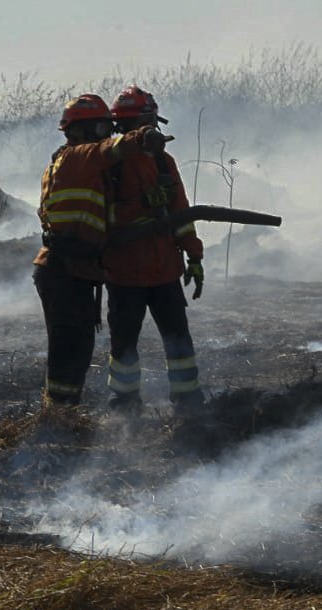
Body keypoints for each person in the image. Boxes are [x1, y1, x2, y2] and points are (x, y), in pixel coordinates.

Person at [32, 94, 166, 407]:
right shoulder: (83, 156)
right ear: (82, 131)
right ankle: (59, 415)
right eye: (102, 128)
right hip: (63, 268)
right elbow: (116, 148)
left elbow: (100, 217)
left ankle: (62, 410)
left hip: (70, 267)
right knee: (69, 344)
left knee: (76, 342)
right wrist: (144, 134)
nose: (107, 134)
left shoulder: (67, 163)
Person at [102, 86, 206, 413]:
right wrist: (143, 206)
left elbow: (181, 212)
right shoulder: (107, 163)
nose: (149, 130)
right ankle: (125, 403)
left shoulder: (162, 161)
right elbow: (102, 217)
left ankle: (187, 399)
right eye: (144, 122)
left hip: (164, 270)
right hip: (124, 272)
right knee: (124, 344)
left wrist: (194, 255)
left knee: (178, 339)